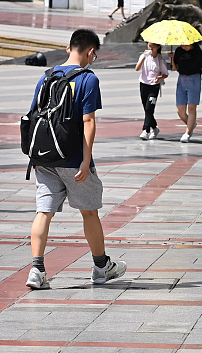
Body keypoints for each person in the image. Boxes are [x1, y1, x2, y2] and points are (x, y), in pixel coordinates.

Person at [25, 29, 127, 290]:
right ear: (91, 52)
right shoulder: (88, 79)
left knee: (43, 212)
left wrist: (35, 156)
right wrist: (86, 160)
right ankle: (101, 267)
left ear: (68, 47)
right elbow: (88, 121)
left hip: (44, 157)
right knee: (89, 212)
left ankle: (36, 270)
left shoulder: (46, 77)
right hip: (73, 159)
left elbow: (35, 116)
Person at [170, 42, 202, 143]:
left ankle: (187, 133)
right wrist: (171, 59)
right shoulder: (179, 51)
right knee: (180, 110)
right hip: (181, 79)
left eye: (187, 45)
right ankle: (192, 124)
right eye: (182, 45)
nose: (184, 47)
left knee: (192, 107)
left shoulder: (199, 53)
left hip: (194, 80)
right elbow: (174, 68)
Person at [135, 42, 169, 140]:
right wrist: (143, 58)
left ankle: (146, 130)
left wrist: (160, 77)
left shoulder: (160, 59)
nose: (150, 48)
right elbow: (137, 69)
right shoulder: (144, 56)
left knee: (149, 108)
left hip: (154, 86)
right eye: (149, 46)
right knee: (146, 109)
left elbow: (165, 74)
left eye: (153, 46)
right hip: (143, 84)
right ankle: (154, 127)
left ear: (157, 47)